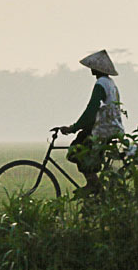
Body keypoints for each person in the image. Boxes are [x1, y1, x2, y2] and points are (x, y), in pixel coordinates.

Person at [52, 50, 123, 196]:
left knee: (76, 150)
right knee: (83, 144)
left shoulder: (100, 84)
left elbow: (91, 111)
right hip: (112, 126)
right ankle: (96, 189)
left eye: (93, 67)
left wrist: (73, 128)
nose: (91, 69)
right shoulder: (110, 83)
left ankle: (93, 185)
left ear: (97, 69)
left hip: (104, 129)